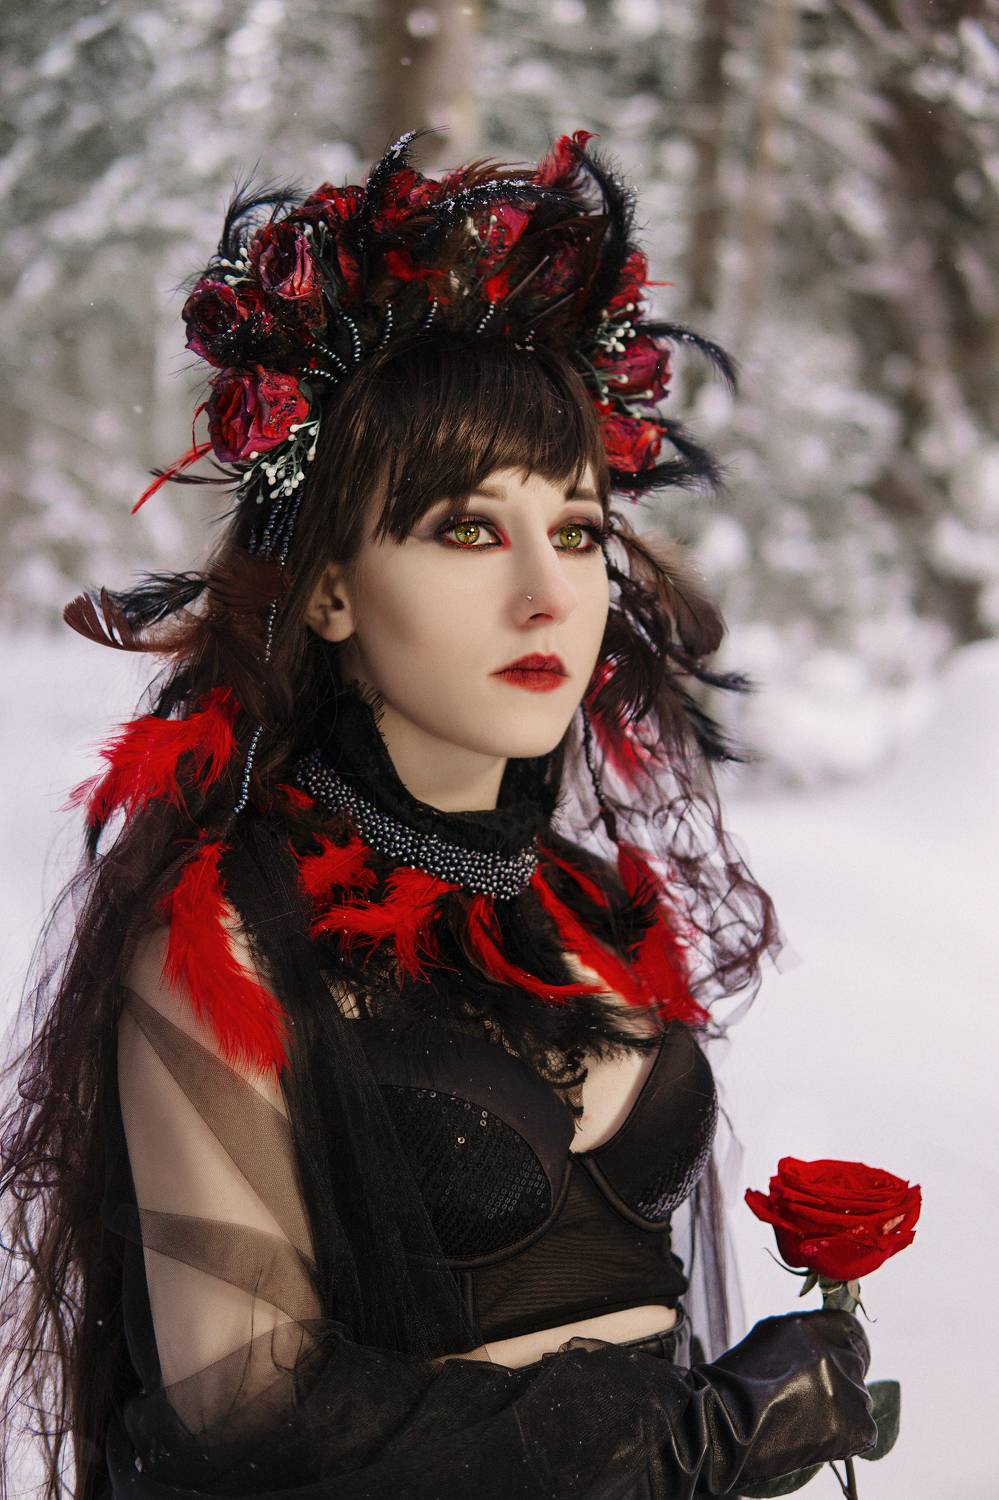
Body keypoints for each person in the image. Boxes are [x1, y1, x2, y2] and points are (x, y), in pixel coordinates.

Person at [0, 129, 877, 1499]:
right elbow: (245, 1420)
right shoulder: (227, 937)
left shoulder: (591, 909)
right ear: (331, 590)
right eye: (469, 529)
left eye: (575, 531)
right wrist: (687, 1440)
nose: (547, 594)